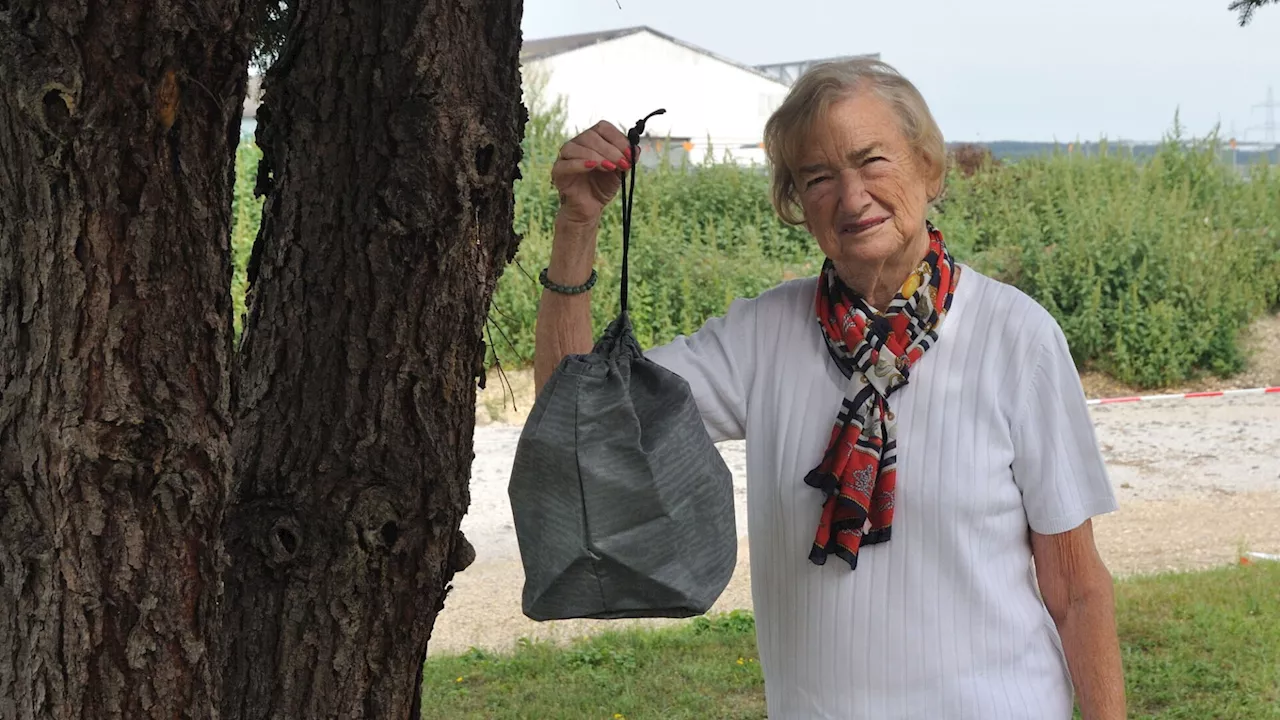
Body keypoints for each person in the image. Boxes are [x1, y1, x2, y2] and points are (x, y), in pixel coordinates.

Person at [533, 57, 1125, 719]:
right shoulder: (760, 337)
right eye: (818, 176)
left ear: (929, 167)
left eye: (872, 160)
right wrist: (577, 226)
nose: (851, 197)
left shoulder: (1018, 338)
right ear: (796, 203)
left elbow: (1075, 590)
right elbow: (578, 419)